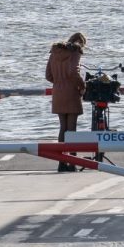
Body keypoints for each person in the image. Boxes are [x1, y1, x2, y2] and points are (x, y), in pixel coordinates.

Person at [44, 31, 87, 173]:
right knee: (72, 128)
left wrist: (59, 83)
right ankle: (72, 162)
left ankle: (61, 162)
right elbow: (73, 72)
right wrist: (82, 85)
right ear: (81, 43)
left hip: (58, 93)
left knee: (62, 128)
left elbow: (48, 75)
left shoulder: (55, 52)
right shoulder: (75, 52)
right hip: (71, 93)